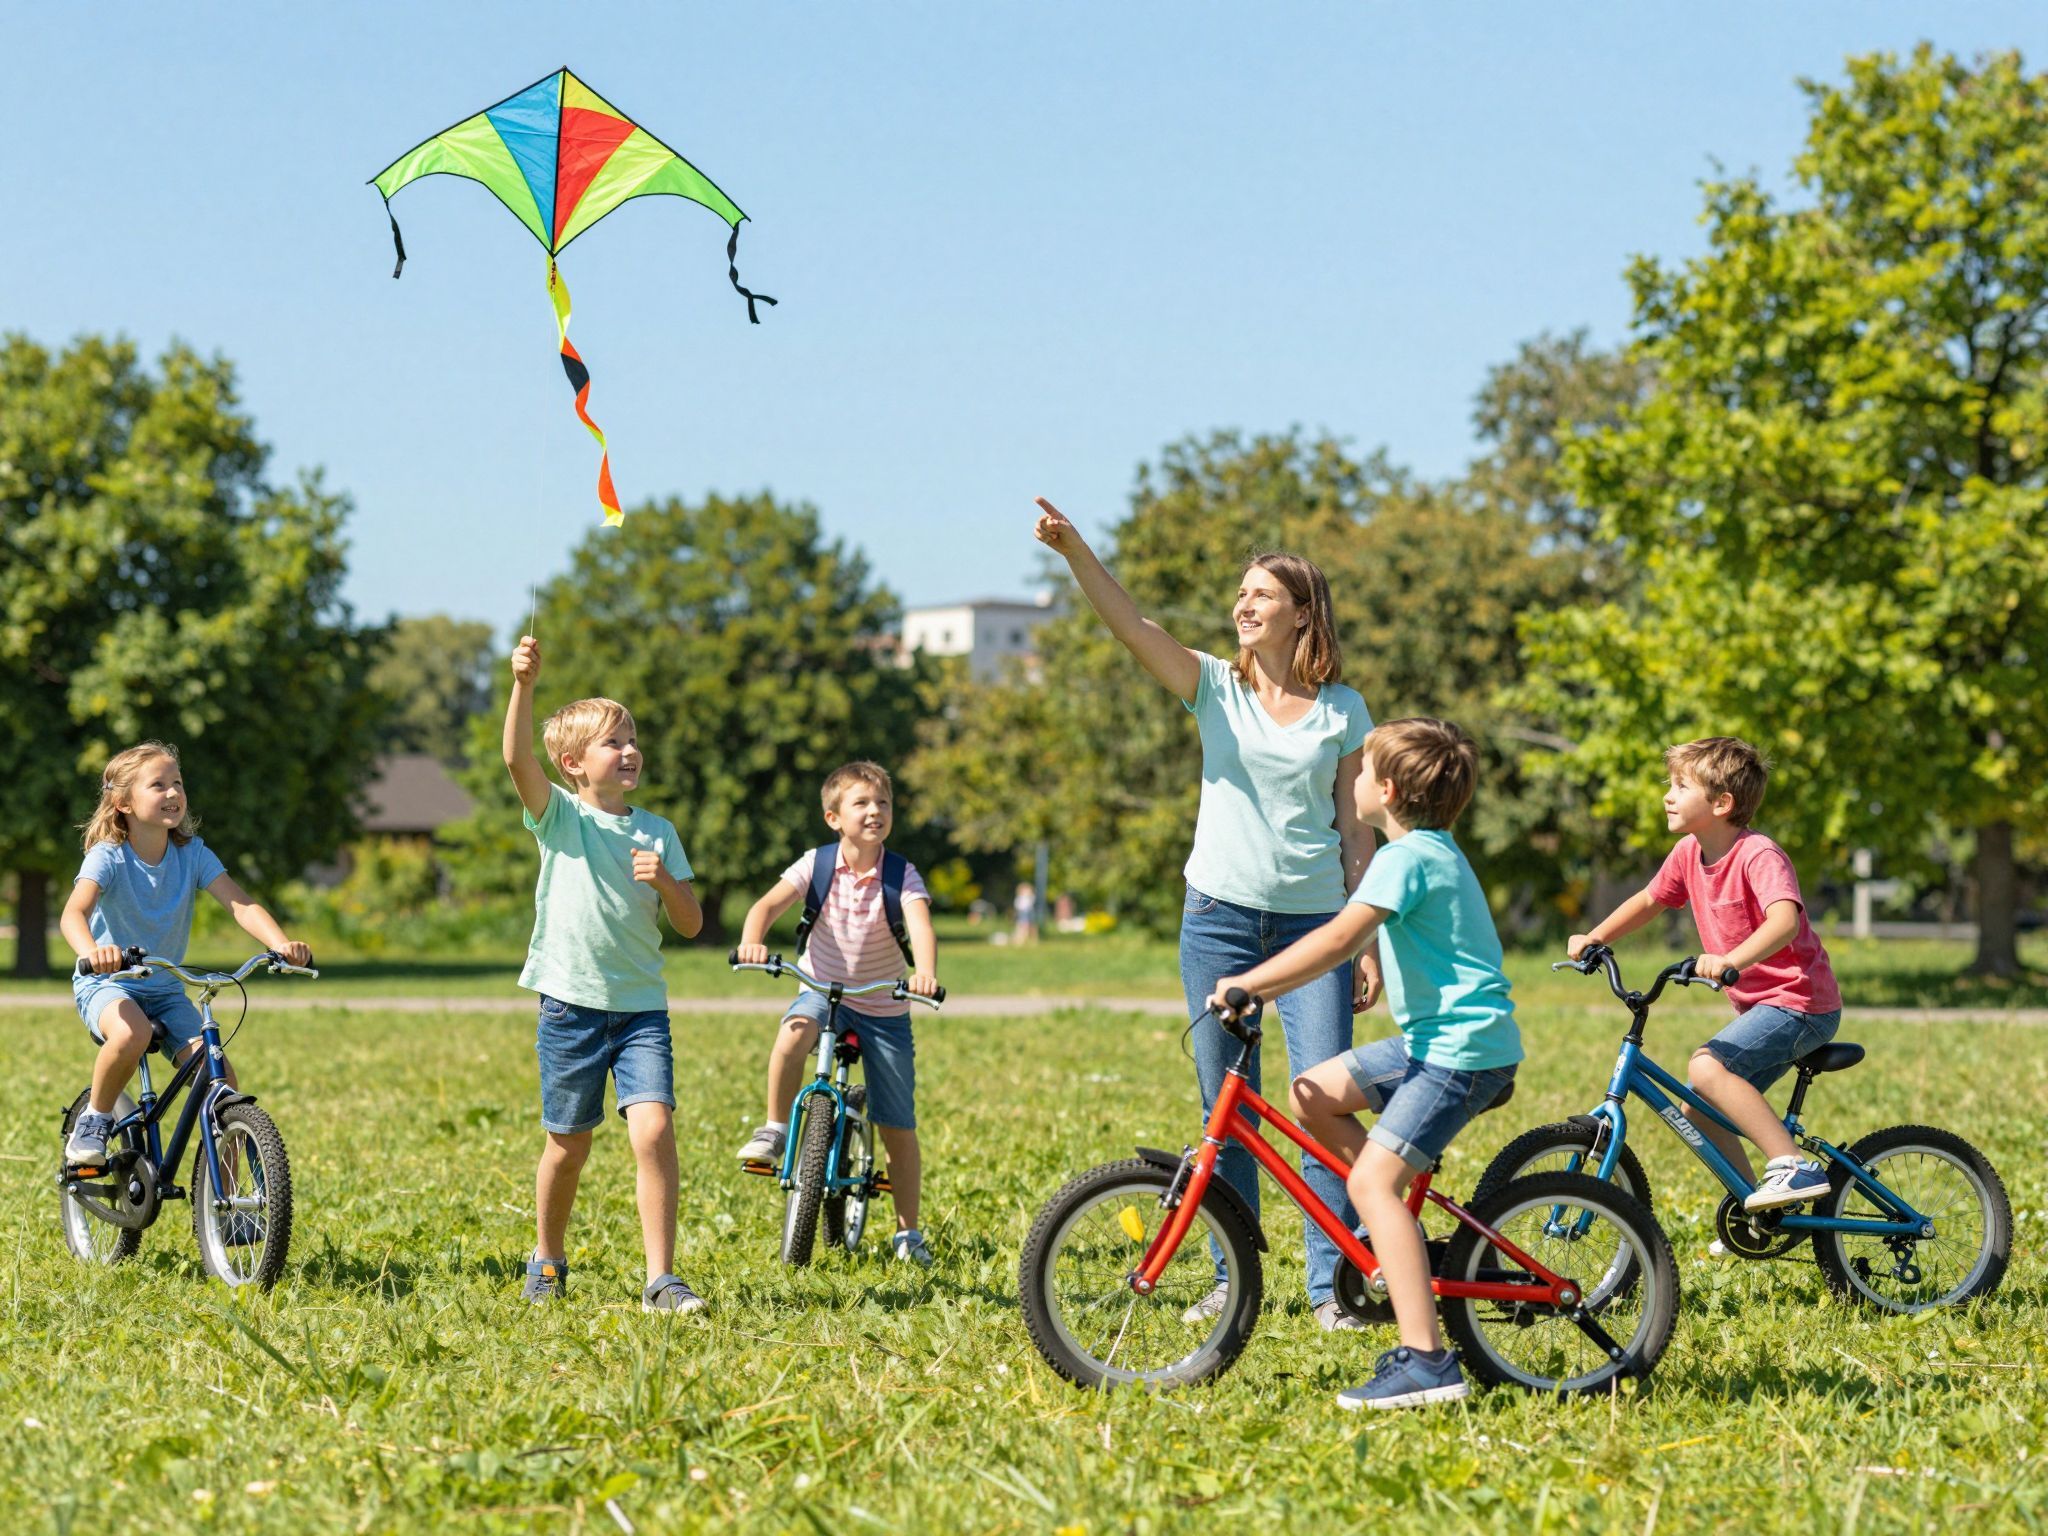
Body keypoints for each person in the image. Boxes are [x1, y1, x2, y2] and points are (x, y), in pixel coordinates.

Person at [1034, 496, 1380, 1332]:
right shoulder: (1213, 687)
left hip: (1314, 929)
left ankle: (1333, 1285)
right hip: (1218, 921)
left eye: (1263, 593)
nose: (1243, 604)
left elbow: (1356, 831)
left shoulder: (1344, 710)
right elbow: (1131, 626)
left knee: (1321, 1101)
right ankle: (1234, 1277)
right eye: (1241, 592)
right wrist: (1076, 552)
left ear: (1303, 614)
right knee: (1225, 1107)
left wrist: (1365, 940)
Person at [1210, 717, 1521, 1410]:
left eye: (1362, 770)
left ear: (1386, 791)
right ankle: (1396, 1230)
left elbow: (1338, 939)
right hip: (1435, 1042)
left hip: (1460, 1052)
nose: (1348, 780)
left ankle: (1428, 1363)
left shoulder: (1405, 858)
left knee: (1373, 1185)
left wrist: (1251, 984)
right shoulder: (1424, 850)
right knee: (1312, 1093)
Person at [502, 635, 707, 1313]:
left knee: (654, 1131)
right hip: (571, 1007)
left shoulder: (659, 831)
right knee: (569, 1145)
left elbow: (690, 923)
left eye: (632, 740)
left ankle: (661, 1278)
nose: (629, 751)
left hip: (641, 1009)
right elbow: (515, 758)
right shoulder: (559, 817)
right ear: (572, 764)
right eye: (612, 742)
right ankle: (548, 1257)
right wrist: (523, 684)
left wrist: (667, 882)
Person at [1568, 736, 1841, 1211]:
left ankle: (1793, 1165)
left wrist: (1732, 960)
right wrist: (1596, 936)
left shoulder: (1758, 854)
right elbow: (1650, 900)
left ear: (1721, 803)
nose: (1666, 796)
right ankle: (1759, 1209)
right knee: (1699, 1108)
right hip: (1762, 1007)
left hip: (1800, 1003)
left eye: (1680, 786)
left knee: (1705, 1066)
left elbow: (1784, 922)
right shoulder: (1687, 854)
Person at [62, 742, 314, 1176]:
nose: (173, 792)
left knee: (221, 1079)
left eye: (177, 783)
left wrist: (281, 944)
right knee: (131, 1034)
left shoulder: (192, 853)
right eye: (158, 784)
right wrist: (93, 953)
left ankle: (228, 1193)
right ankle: (95, 1118)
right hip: (108, 983)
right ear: (123, 802)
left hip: (164, 989)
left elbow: (240, 904)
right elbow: (73, 913)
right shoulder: (109, 855)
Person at [733, 761, 942, 1265]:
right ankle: (775, 1127)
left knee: (897, 1123)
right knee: (793, 1032)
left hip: (883, 1002)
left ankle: (908, 1233)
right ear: (833, 818)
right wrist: (752, 940)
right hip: (822, 990)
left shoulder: (900, 873)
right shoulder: (817, 864)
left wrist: (925, 972)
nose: (875, 811)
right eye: (861, 803)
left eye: (883, 803)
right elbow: (765, 906)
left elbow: (920, 925)